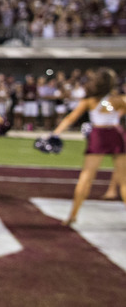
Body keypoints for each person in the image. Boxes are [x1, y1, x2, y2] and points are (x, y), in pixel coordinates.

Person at [50, 67, 126, 225]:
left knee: (86, 177)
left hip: (98, 135)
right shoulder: (120, 99)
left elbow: (70, 118)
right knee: (124, 181)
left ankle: (73, 215)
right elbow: (119, 113)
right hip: (117, 134)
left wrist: (55, 134)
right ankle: (73, 215)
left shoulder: (89, 101)